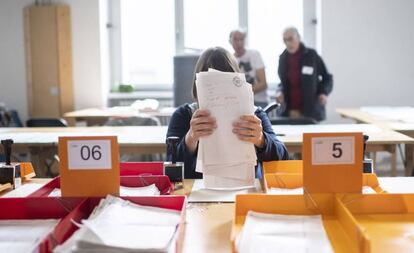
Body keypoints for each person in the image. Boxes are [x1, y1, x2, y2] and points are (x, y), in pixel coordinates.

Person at [166, 47, 289, 179]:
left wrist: (261, 140)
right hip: (198, 192)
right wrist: (190, 139)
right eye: (211, 84)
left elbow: (282, 158)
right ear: (198, 86)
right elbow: (170, 167)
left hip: (244, 191)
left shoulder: (254, 115)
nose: (220, 93)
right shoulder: (184, 115)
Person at [276, 27, 333, 121]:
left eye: (290, 39)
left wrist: (324, 93)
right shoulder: (283, 58)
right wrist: (279, 92)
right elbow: (283, 82)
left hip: (311, 112)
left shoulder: (312, 55)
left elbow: (328, 78)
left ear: (298, 37)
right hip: (289, 112)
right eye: (285, 40)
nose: (288, 43)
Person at [229, 28, 269, 108]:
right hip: (240, 103)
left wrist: (242, 92)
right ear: (230, 41)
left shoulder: (254, 54)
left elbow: (263, 84)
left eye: (241, 39)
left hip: (259, 102)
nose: (239, 43)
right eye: (236, 39)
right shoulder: (230, 59)